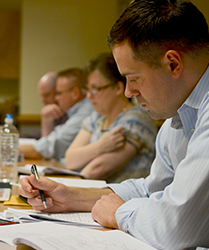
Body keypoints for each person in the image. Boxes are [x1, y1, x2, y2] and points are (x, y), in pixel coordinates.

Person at [19, 0, 209, 249]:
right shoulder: (179, 117)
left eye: (134, 78)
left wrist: (120, 213)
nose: (129, 91)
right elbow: (152, 189)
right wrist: (71, 197)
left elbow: (175, 227)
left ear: (172, 64)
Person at [65, 53, 157, 182]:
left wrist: (70, 188)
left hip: (125, 199)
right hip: (95, 193)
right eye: (88, 90)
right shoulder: (97, 118)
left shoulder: (136, 119)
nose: (89, 96)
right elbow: (70, 159)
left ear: (118, 88)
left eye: (96, 89)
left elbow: (97, 169)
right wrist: (100, 146)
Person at [19, 67, 94, 162]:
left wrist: (5, 148)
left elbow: (49, 147)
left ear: (75, 93)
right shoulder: (72, 111)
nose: (56, 98)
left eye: (59, 93)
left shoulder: (85, 112)